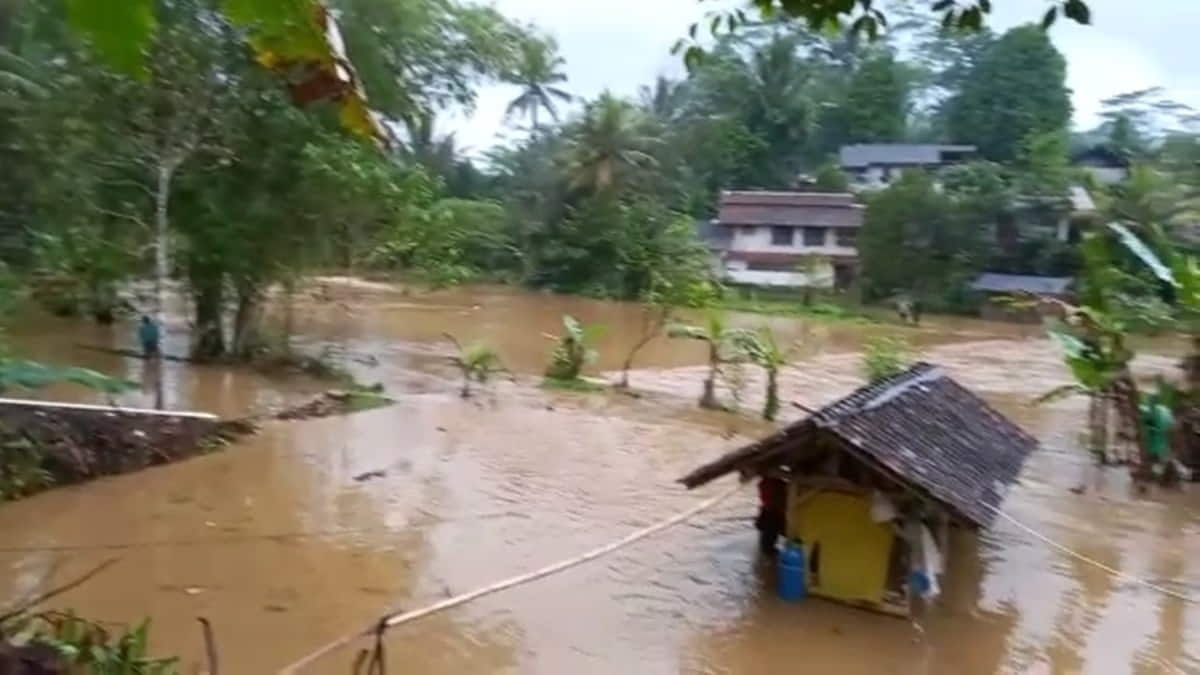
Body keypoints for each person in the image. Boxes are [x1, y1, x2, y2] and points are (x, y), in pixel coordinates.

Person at [754, 476, 787, 557]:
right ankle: (773, 551)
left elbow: (759, 526)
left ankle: (771, 551)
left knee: (769, 533)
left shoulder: (765, 484)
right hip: (773, 511)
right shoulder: (773, 484)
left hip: (770, 510)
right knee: (773, 532)